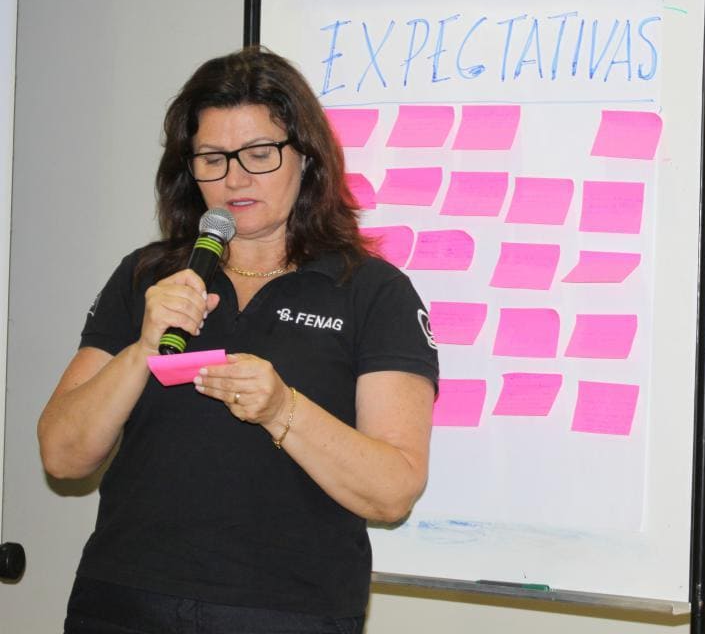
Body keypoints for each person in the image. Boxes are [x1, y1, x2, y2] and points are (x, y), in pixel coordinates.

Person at [38, 46, 439, 634]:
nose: (235, 178)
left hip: (292, 612)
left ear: (307, 157)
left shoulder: (373, 292)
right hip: (125, 600)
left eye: (259, 153)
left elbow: (393, 491)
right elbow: (62, 456)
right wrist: (141, 350)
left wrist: (282, 409)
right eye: (212, 158)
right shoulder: (147, 277)